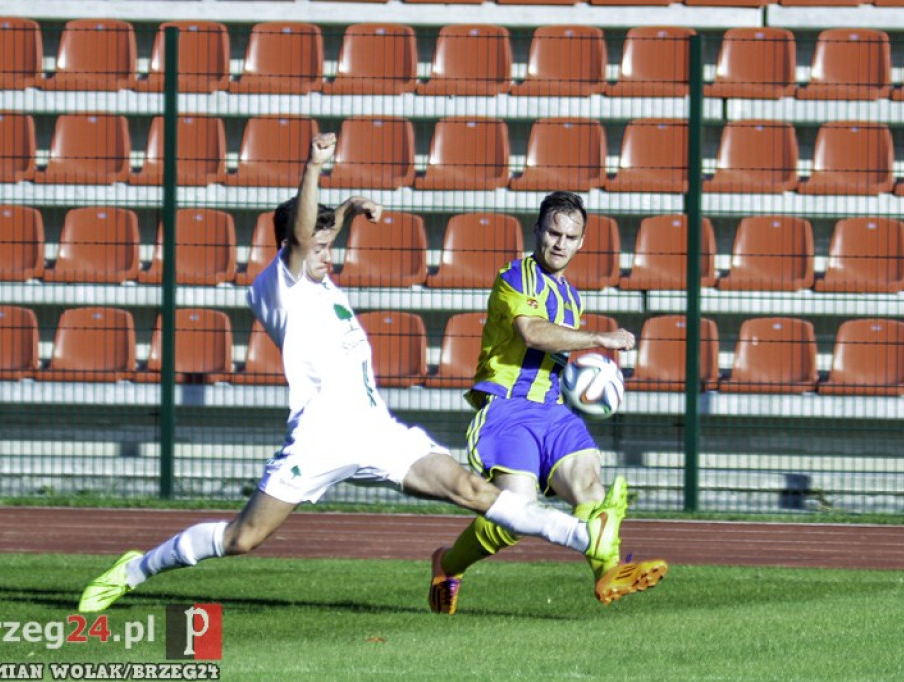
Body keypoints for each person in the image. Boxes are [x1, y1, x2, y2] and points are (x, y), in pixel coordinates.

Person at [78, 135, 631, 613]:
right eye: (317, 246)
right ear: (290, 248)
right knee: (242, 538)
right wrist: (316, 172)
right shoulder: (279, 287)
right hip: (319, 439)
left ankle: (584, 536)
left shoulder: (322, 283)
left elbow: (313, 234)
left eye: (328, 243)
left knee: (469, 489)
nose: (327, 253)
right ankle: (136, 569)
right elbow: (299, 238)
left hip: (374, 430)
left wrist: (342, 210)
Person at [428, 191, 668, 615]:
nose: (560, 243)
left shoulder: (573, 298)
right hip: (506, 411)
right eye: (553, 232)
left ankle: (608, 573)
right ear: (537, 231)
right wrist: (599, 339)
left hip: (554, 412)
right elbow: (533, 333)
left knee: (589, 483)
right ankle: (447, 565)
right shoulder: (515, 277)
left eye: (570, 236)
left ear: (581, 242)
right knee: (513, 516)